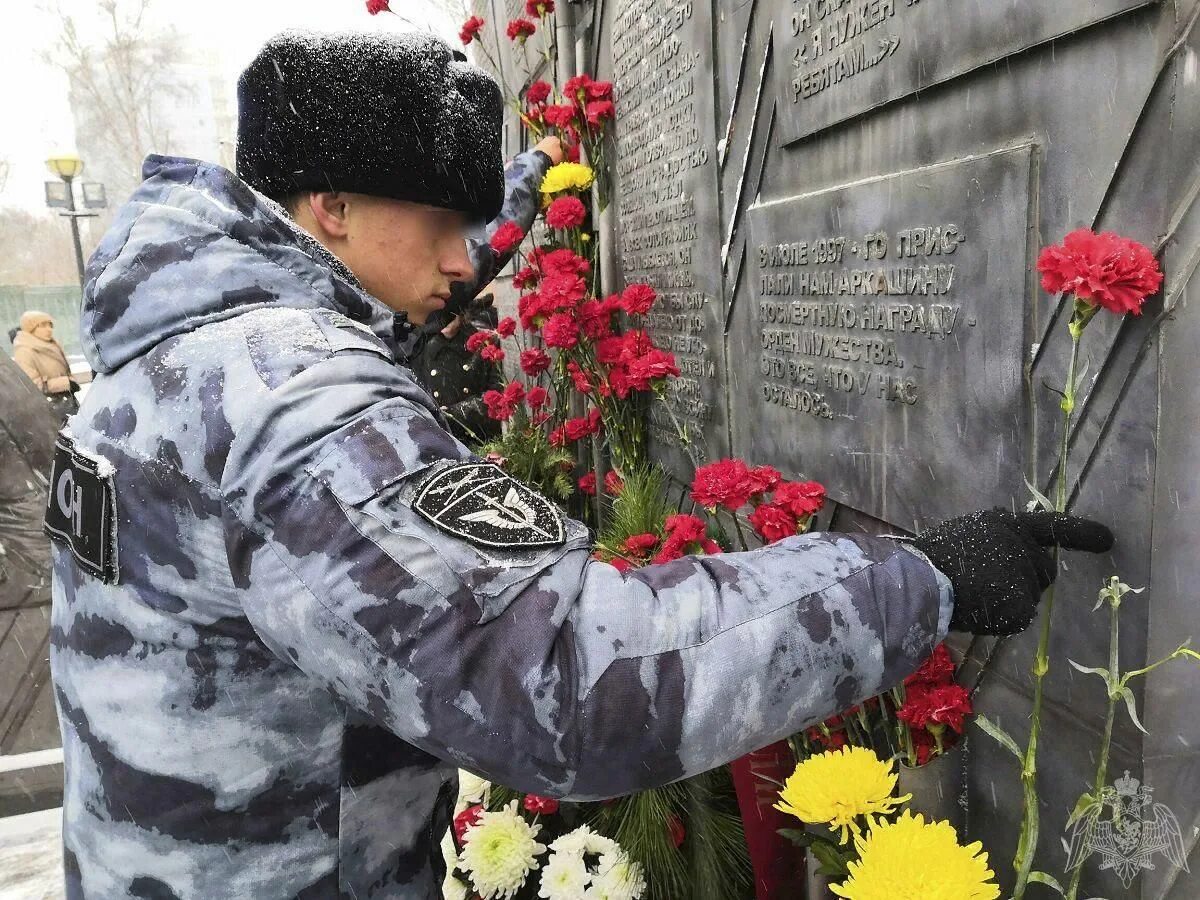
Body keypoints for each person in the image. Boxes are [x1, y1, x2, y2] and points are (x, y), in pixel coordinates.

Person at [47, 30, 1114, 899]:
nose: (467, 264)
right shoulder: (294, 398)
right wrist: (918, 580)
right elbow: (564, 684)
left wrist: (515, 196)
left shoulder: (179, 340)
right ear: (331, 207)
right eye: (443, 224)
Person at [11, 311, 90, 419]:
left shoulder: (51, 344)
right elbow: (31, 384)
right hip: (50, 406)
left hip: (66, 400)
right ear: (30, 328)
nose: (49, 329)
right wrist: (66, 383)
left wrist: (71, 382)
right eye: (42, 325)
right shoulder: (24, 350)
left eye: (50, 325)